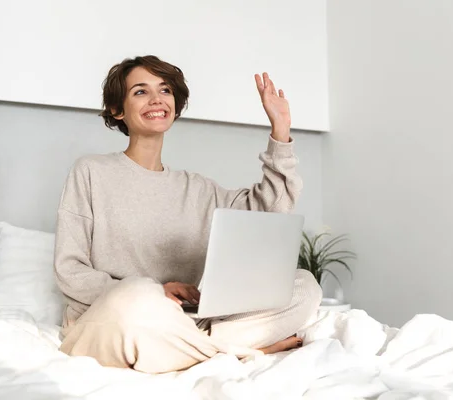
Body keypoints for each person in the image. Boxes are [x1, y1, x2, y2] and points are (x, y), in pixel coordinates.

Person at [53, 55, 322, 374]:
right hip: (116, 316)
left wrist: (280, 131)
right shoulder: (91, 171)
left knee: (304, 285)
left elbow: (270, 210)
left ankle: (203, 347)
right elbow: (69, 269)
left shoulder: (199, 189)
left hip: (181, 323)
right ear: (118, 110)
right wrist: (156, 292)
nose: (156, 99)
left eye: (164, 90)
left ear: (175, 105)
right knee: (135, 296)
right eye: (140, 91)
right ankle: (240, 349)